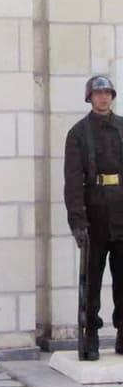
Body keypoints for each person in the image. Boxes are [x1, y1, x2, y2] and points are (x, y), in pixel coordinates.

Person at [64, 74, 123, 360]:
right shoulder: (78, 133)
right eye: (98, 93)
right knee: (93, 283)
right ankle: (90, 335)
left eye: (108, 93)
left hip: (122, 213)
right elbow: (73, 181)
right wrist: (77, 220)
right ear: (90, 97)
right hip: (94, 216)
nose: (104, 98)